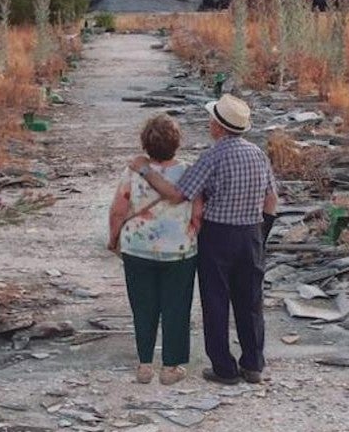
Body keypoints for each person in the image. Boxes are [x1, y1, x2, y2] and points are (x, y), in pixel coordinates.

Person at [129, 94, 278, 385]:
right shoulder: (257, 153)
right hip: (251, 234)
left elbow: (177, 194)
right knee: (250, 301)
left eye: (212, 120)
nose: (210, 124)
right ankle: (253, 365)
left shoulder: (212, 157)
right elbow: (271, 199)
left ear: (219, 128)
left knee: (216, 301)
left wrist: (144, 168)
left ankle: (224, 368)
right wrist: (262, 233)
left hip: (218, 235)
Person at [108, 114, 203, 385]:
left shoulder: (132, 172)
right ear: (177, 143)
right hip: (180, 250)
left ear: (145, 144)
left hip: (138, 248)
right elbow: (198, 213)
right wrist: (194, 233)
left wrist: (113, 238)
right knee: (176, 307)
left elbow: (118, 210)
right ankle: (171, 367)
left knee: (143, 306)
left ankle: (145, 364)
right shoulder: (189, 172)